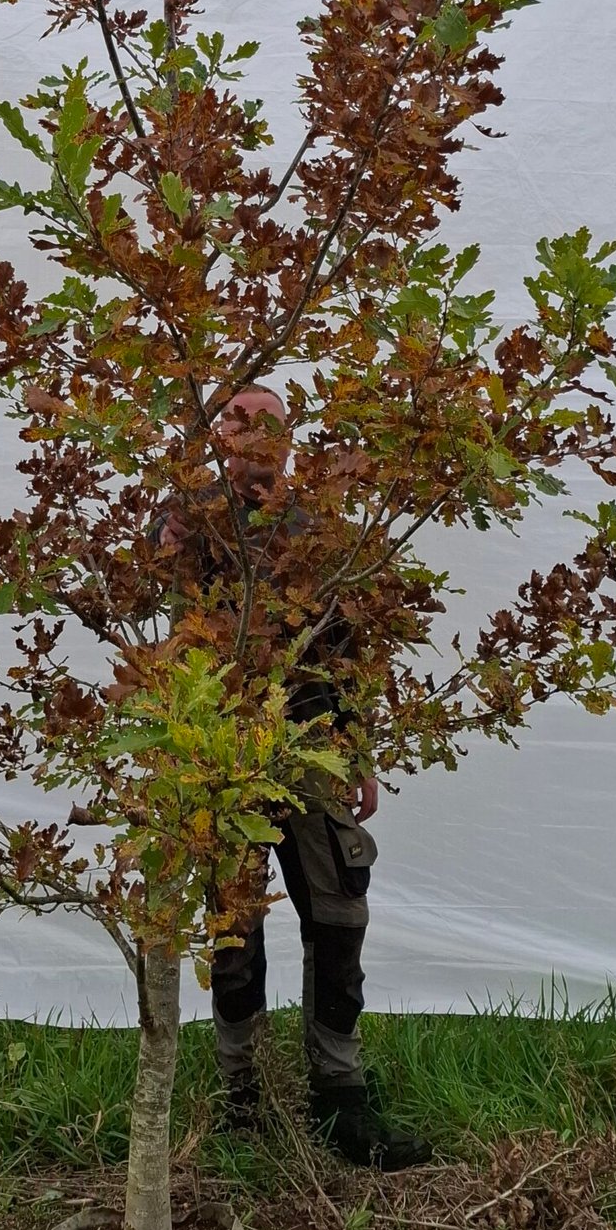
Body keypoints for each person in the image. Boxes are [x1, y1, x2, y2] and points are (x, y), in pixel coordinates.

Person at [158, 388, 430, 1171]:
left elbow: (346, 644)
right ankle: (243, 1096)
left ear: (287, 438)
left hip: (312, 745)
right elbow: (149, 579)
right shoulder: (191, 515)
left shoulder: (317, 527)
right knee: (234, 926)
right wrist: (172, 517)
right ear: (217, 433)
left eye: (266, 422)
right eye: (234, 420)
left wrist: (359, 745)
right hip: (223, 750)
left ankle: (340, 1096)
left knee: (340, 908)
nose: (250, 435)